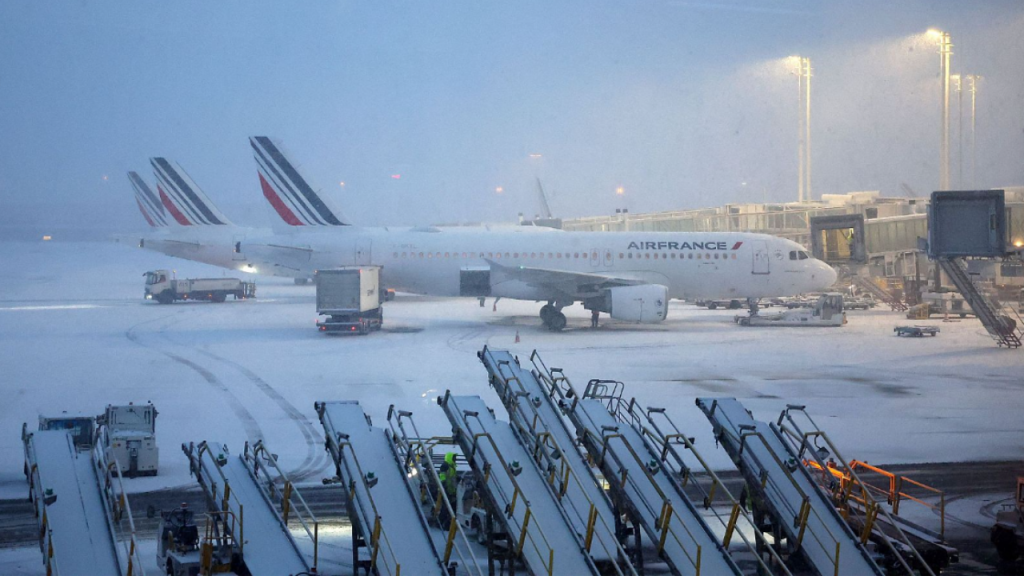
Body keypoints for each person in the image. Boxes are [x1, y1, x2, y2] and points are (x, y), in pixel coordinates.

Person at [438, 452, 458, 525]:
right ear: (450, 457)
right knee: (445, 507)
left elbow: (453, 477)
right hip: (446, 489)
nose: (455, 459)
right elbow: (442, 475)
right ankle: (441, 522)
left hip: (451, 490)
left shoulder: (452, 466)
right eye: (454, 457)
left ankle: (448, 522)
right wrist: (444, 484)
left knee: (451, 506)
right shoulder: (445, 466)